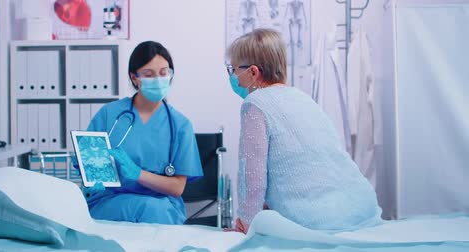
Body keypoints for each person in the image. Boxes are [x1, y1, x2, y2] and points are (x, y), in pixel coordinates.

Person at [226, 29, 382, 233]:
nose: (232, 76)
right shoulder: (302, 98)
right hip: (362, 208)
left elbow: (252, 176)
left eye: (234, 69)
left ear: (253, 73)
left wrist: (247, 222)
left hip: (318, 220)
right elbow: (309, 163)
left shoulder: (255, 104)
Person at [84, 41, 203, 224]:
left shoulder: (180, 125)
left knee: (154, 210)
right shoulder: (109, 114)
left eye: (164, 72)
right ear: (134, 78)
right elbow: (92, 167)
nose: (158, 79)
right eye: (149, 74)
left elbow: (177, 187)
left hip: (161, 205)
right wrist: (96, 172)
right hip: (109, 202)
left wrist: (138, 174)